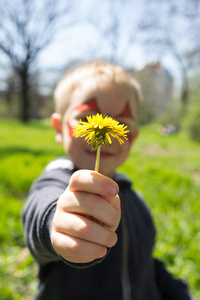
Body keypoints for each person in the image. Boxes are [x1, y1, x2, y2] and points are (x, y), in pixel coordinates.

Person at [22, 60, 191, 300]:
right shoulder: (57, 182)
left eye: (121, 124)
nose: (107, 133)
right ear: (59, 127)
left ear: (133, 137)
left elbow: (146, 265)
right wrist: (57, 224)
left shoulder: (135, 200)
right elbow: (40, 210)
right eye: (88, 118)